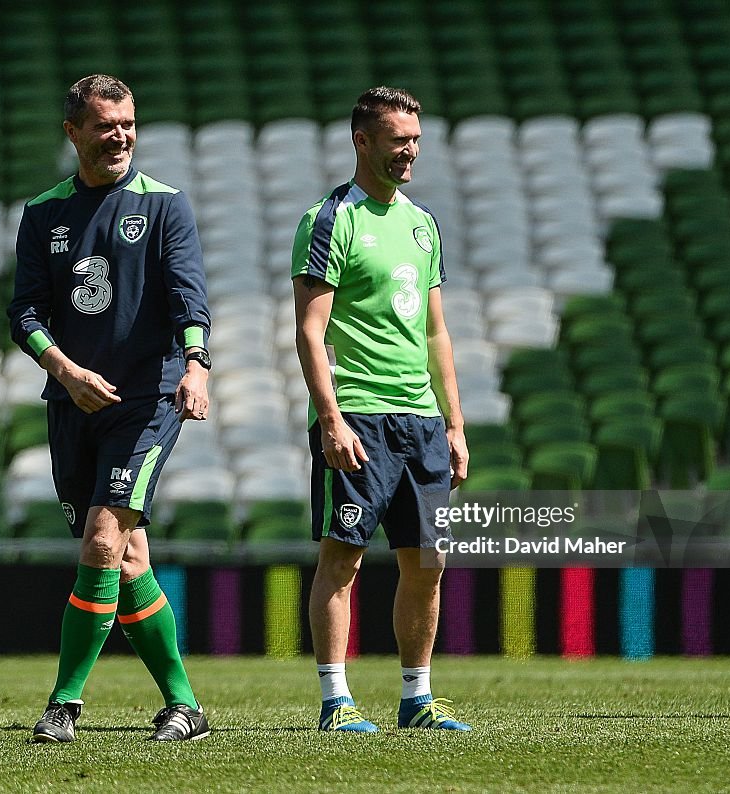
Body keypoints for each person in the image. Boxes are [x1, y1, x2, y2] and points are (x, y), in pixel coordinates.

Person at [8, 74, 212, 743]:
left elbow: (189, 298)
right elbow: (25, 313)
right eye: (104, 125)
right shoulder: (44, 214)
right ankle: (185, 707)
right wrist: (65, 371)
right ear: (73, 133)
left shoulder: (164, 206)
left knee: (102, 538)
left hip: (147, 400)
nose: (119, 135)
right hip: (73, 403)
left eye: (127, 122)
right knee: (126, 561)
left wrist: (196, 365)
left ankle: (64, 705)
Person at [291, 86, 472, 733]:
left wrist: (453, 422)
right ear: (362, 141)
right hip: (359, 416)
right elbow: (310, 332)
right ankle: (336, 702)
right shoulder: (329, 220)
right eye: (399, 140)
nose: (410, 151)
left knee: (428, 562)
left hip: (420, 420)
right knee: (342, 557)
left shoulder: (422, 224)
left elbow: (435, 332)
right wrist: (331, 419)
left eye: (415, 140)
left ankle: (416, 699)